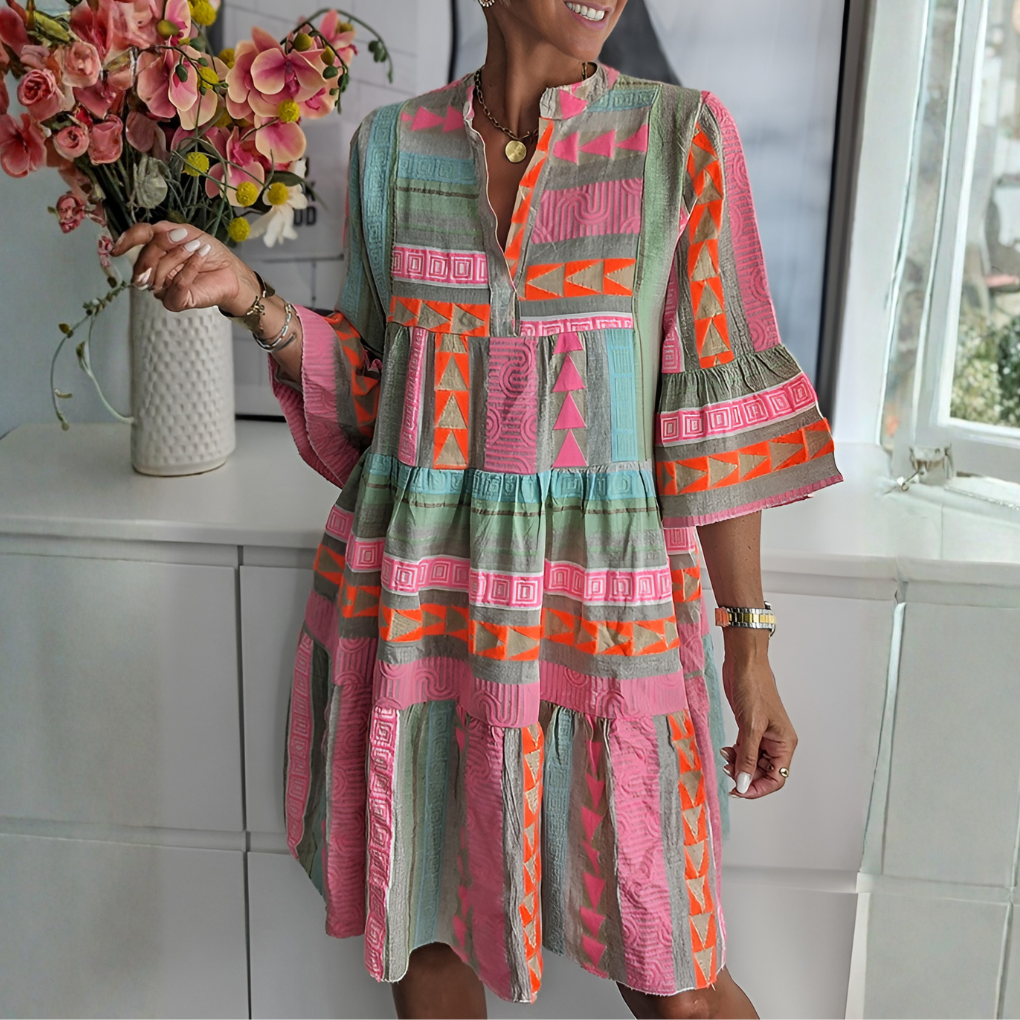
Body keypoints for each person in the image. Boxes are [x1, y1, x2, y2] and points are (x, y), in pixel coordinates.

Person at [112, 1, 841, 1016]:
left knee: (676, 977)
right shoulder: (391, 147)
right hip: (421, 607)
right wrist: (254, 301)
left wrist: (747, 643)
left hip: (604, 615)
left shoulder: (680, 137)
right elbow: (376, 412)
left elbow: (715, 416)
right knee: (429, 932)